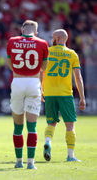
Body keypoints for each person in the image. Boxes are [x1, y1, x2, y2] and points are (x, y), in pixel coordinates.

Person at [7, 20, 48, 169]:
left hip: (17, 82)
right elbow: (43, 67)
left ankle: (19, 162)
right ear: (36, 32)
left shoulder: (12, 41)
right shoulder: (42, 43)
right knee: (32, 127)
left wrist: (19, 71)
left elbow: (10, 63)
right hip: (33, 83)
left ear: (21, 30)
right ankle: (31, 163)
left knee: (17, 127)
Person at [43, 29, 86, 162]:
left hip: (49, 93)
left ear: (56, 38)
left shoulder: (47, 52)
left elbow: (41, 72)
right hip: (65, 94)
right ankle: (71, 156)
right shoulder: (72, 54)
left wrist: (40, 90)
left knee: (51, 122)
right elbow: (78, 78)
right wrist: (82, 98)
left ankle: (48, 141)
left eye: (52, 37)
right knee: (70, 126)